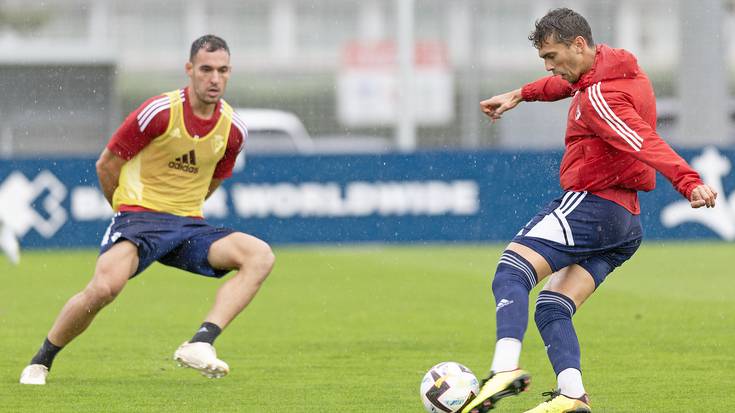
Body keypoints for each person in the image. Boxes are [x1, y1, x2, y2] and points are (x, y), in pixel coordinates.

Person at [461, 8, 717, 413]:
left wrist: (688, 181)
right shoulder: (612, 70)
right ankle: (572, 395)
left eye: (552, 57)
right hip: (624, 223)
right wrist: (519, 94)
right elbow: (564, 84)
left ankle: (503, 369)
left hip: (593, 205)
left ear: (578, 45)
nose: (549, 66)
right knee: (553, 306)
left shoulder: (602, 98)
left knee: (512, 270)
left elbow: (643, 141)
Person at [19, 35, 275, 385]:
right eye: (206, 69)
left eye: (222, 70)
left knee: (259, 256)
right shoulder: (160, 112)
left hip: (187, 225)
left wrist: (186, 209)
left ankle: (200, 343)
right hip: (139, 217)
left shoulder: (233, 129)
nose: (214, 78)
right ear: (189, 70)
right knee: (104, 289)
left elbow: (213, 179)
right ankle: (41, 361)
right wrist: (125, 212)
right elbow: (106, 164)